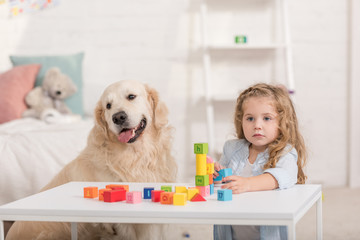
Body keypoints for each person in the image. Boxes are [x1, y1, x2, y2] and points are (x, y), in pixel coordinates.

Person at [213, 83, 307, 240]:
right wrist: (215, 175)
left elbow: (281, 176)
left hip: (266, 233)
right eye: (250, 118)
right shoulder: (231, 147)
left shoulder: (285, 152)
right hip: (231, 230)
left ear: (282, 123)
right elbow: (222, 181)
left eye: (267, 118)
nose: (257, 125)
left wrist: (247, 184)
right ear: (241, 121)